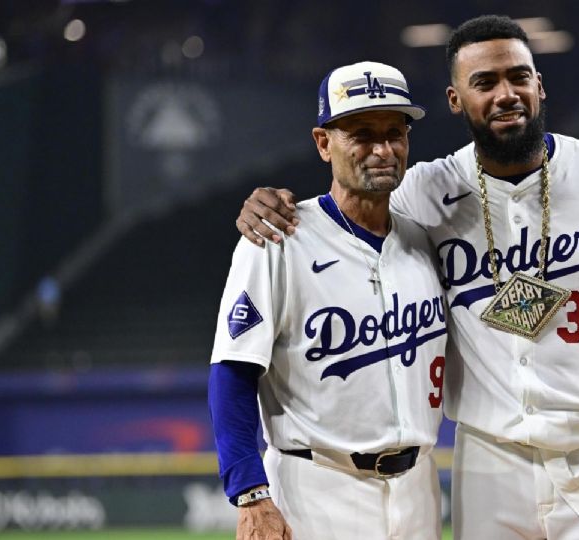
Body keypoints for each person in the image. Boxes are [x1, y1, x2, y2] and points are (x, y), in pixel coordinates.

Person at [235, 15, 579, 540]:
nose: (507, 93)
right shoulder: (422, 193)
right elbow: (345, 214)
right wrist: (265, 205)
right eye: (485, 83)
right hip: (490, 464)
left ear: (539, 86)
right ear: (456, 99)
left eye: (519, 77)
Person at [208, 61, 447, 540]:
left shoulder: (428, 240)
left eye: (394, 133)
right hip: (316, 489)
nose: (382, 149)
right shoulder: (278, 237)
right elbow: (233, 369)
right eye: (361, 133)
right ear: (324, 143)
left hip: (418, 488)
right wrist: (250, 493)